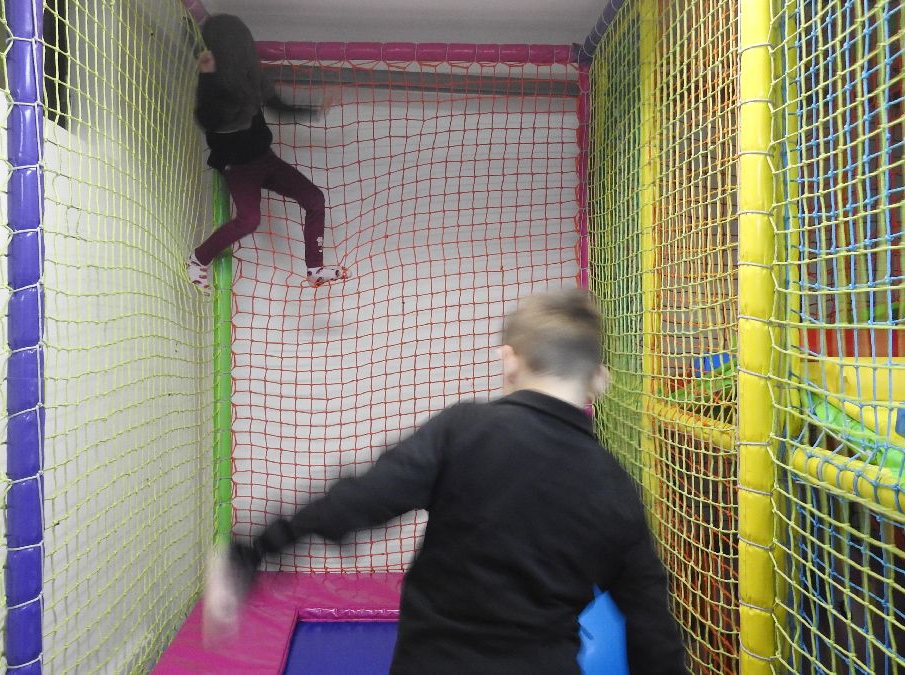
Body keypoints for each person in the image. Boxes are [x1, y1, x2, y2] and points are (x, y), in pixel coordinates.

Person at [205, 289, 689, 674]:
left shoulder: (465, 430)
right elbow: (652, 629)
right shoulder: (615, 485)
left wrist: (257, 550)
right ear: (599, 379)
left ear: (509, 359)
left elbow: (360, 501)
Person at [187, 14, 344, 289]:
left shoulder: (250, 78)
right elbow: (208, 119)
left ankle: (315, 268)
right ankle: (198, 259)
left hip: (264, 159)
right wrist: (208, 75)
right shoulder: (214, 85)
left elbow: (278, 106)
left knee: (314, 199)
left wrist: (314, 108)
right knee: (249, 219)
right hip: (238, 168)